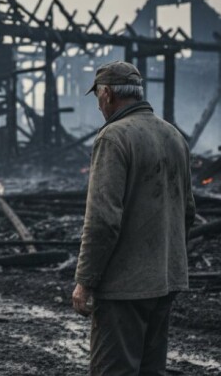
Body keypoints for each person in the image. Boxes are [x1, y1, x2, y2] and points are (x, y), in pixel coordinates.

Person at [72, 60, 195, 376]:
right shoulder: (174, 136)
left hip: (125, 288)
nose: (99, 105)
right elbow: (188, 212)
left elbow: (103, 220)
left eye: (98, 96)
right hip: (166, 281)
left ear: (108, 95)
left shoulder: (113, 137)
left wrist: (85, 282)